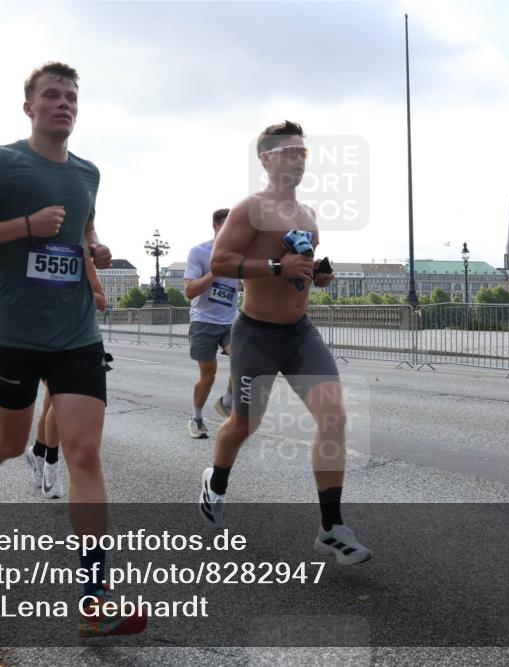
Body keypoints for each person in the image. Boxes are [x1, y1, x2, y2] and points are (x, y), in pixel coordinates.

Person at [0, 61, 146, 637]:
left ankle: (95, 595)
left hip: (76, 333)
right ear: (29, 107)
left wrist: (96, 248)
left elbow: (81, 231)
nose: (63, 104)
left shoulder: (87, 172)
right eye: (51, 95)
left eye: (71, 97)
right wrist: (24, 225)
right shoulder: (3, 162)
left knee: (84, 454)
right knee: (11, 439)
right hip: (12, 333)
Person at [199, 120, 370, 566]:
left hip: (300, 334)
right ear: (266, 159)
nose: (297, 157)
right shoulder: (249, 209)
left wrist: (320, 273)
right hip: (256, 334)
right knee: (244, 424)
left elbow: (304, 265)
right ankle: (215, 482)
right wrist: (277, 266)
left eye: (302, 152)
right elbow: (221, 260)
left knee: (334, 416)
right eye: (288, 151)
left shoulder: (308, 216)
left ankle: (330, 527)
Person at [28, 255, 108, 499]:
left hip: (79, 341)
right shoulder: (30, 252)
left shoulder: (83, 259)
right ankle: (49, 460)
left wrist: (74, 294)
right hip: (40, 339)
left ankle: (42, 454)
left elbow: (101, 301)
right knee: (55, 399)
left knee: (53, 400)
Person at [182, 208, 238, 438]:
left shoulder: (239, 254)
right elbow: (189, 291)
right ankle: (196, 418)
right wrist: (214, 272)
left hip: (230, 321)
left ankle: (226, 401)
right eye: (228, 226)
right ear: (215, 226)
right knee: (209, 375)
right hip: (203, 321)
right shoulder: (199, 252)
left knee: (244, 360)